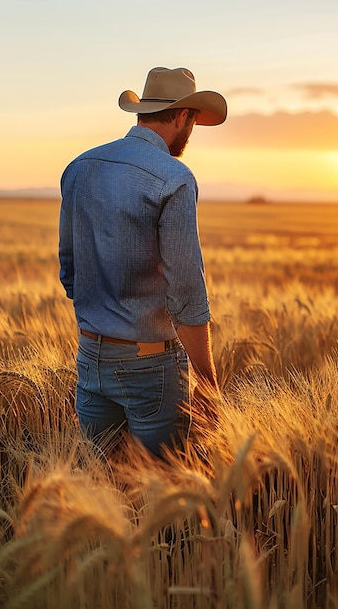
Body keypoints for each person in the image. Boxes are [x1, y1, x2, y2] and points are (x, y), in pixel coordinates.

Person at [59, 66, 226, 457]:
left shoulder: (80, 167)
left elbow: (70, 271)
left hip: (89, 358)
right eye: (194, 121)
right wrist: (208, 381)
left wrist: (104, 317)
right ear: (183, 117)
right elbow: (186, 293)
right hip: (150, 366)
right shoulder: (173, 177)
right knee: (164, 491)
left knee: (103, 490)